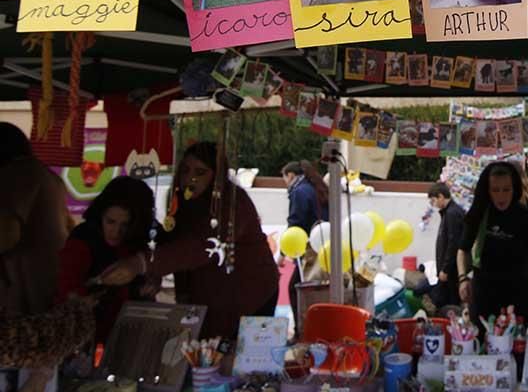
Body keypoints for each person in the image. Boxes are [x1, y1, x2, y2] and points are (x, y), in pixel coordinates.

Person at [100, 141, 279, 339]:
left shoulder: (233, 203)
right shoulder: (182, 202)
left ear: (216, 175)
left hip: (251, 297)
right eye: (185, 170)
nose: (190, 178)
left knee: (239, 360)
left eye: (200, 172)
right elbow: (173, 241)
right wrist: (158, 273)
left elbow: (201, 247)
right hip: (208, 298)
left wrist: (142, 263)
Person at [0, 123, 91, 392]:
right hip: (50, 298)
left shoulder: (15, 175)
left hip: (22, 308)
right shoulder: (48, 177)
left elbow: (5, 234)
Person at [457, 162, 528, 328]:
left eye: (506, 190)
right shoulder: (479, 213)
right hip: (484, 290)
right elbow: (463, 249)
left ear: (514, 188)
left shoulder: (525, 216)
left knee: (520, 340)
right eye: (495, 190)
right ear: (487, 190)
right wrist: (462, 279)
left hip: (517, 290)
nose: (501, 197)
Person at [56, 176, 159, 344]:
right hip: (87, 338)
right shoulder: (83, 240)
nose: (116, 232)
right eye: (110, 222)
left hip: (131, 333)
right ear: (100, 214)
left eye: (126, 225)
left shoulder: (139, 242)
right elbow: (67, 285)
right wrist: (79, 299)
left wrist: (147, 287)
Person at [282, 160, 329, 336]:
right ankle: (315, 329)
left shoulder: (299, 191)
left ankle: (301, 332)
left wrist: (282, 253)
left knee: (295, 290)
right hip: (323, 246)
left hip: (308, 250)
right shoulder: (318, 187)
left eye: (284, 179)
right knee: (320, 291)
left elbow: (296, 223)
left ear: (291, 176)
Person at [427, 182, 465, 308]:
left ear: (441, 196)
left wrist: (445, 269)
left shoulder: (452, 214)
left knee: (449, 303)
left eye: (434, 200)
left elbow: (453, 243)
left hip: (451, 270)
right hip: (448, 269)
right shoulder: (449, 212)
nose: (434, 204)